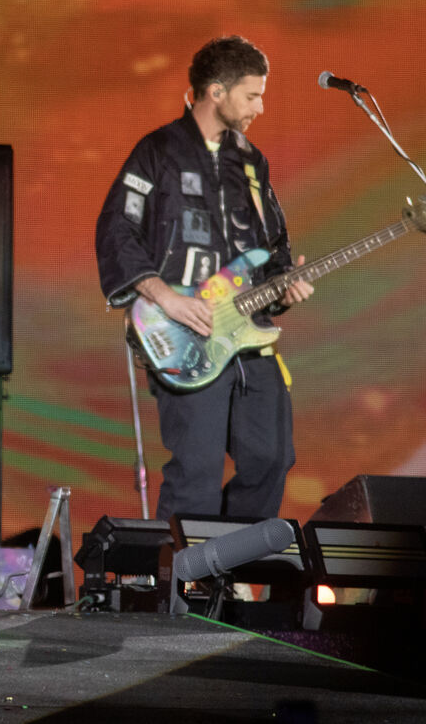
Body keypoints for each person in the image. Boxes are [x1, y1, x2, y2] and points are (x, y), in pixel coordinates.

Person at [95, 35, 314, 522]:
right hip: (185, 335)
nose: (261, 105)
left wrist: (286, 285)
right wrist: (165, 297)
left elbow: (272, 248)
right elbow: (117, 230)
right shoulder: (157, 152)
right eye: (252, 95)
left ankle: (223, 565)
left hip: (249, 337)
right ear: (216, 92)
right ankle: (184, 593)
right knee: (196, 476)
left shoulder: (253, 164)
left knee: (271, 459)